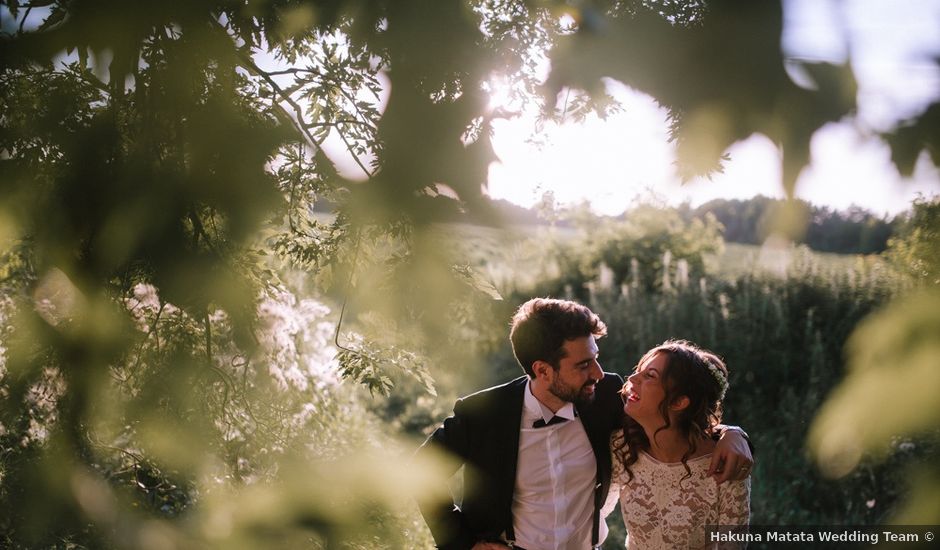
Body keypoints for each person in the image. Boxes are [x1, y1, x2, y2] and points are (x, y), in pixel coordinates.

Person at [416, 298, 753, 550]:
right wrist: (464, 543)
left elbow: (674, 417)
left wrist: (732, 434)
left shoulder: (606, 395)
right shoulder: (484, 413)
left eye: (596, 357)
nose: (598, 373)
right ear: (543, 370)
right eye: (583, 365)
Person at [605, 340, 750, 549]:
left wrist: (736, 433)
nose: (632, 378)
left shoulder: (723, 463)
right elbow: (595, 512)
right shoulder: (622, 444)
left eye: (650, 376)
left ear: (679, 402)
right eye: (638, 371)